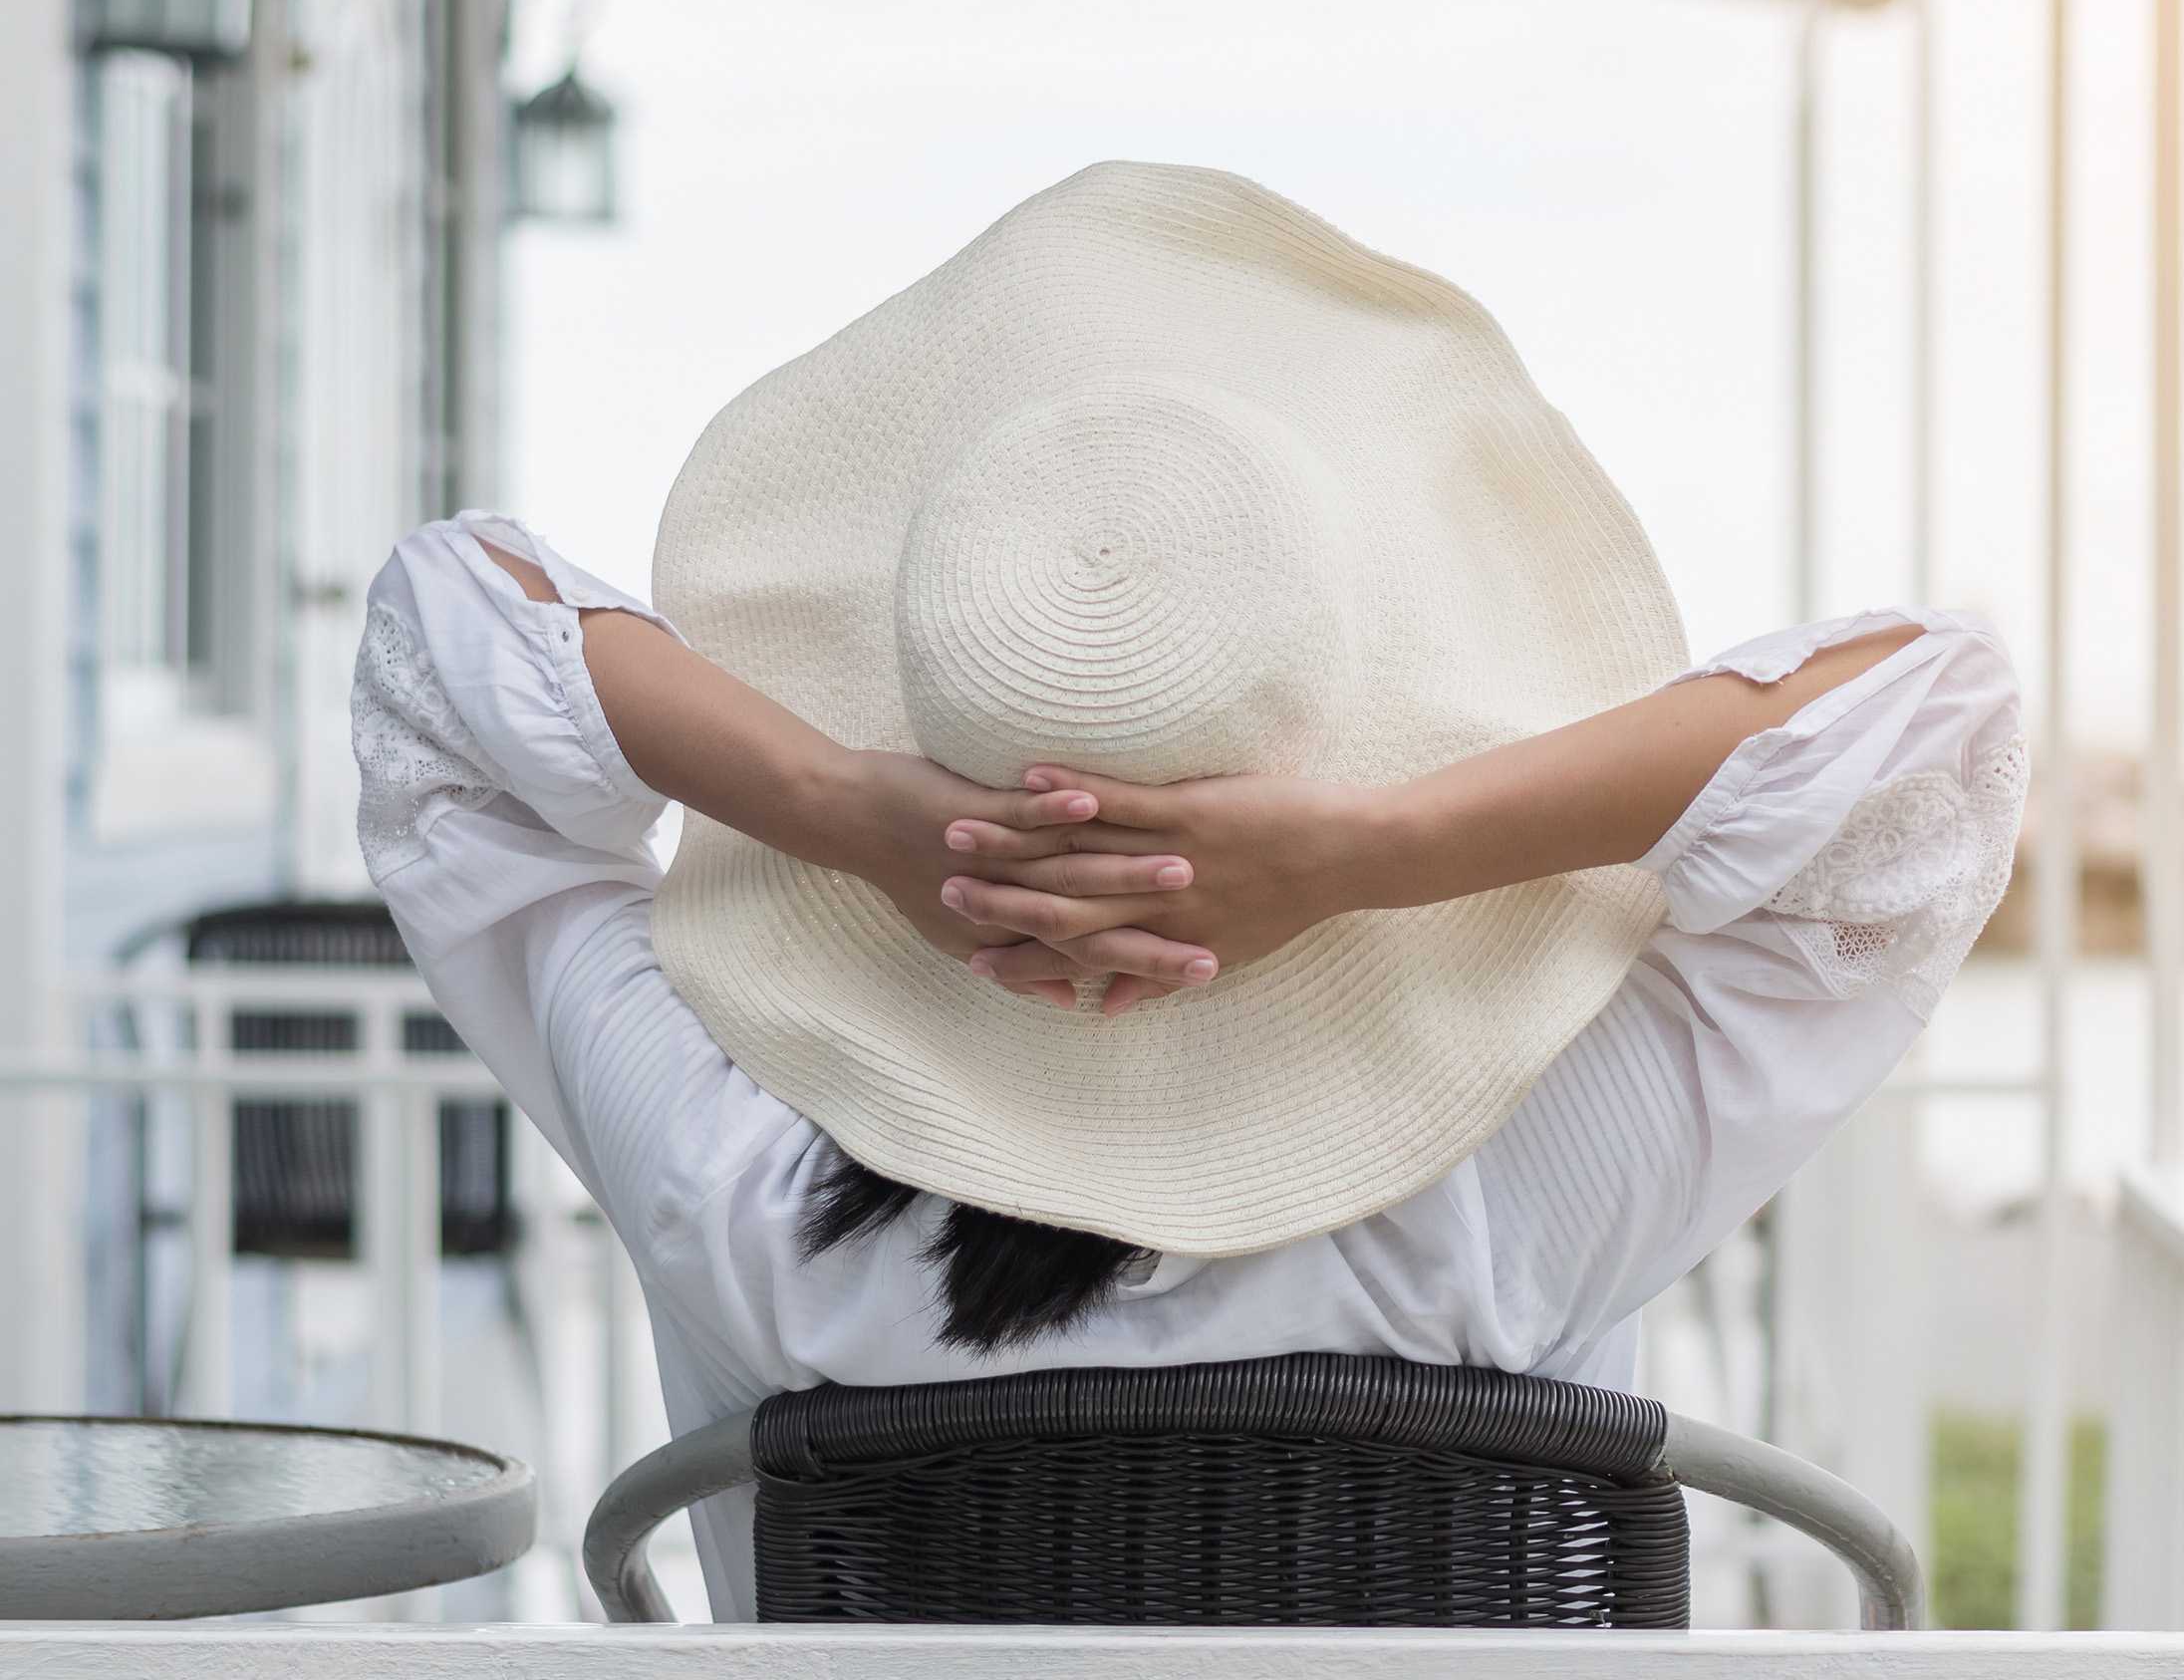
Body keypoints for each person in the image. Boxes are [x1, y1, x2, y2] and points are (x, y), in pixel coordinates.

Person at [354, 163, 2024, 1618]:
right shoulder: (1513, 1195)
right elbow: (1936, 722)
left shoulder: (747, 1194)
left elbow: (440, 643)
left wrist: (849, 812)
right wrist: (1375, 850)